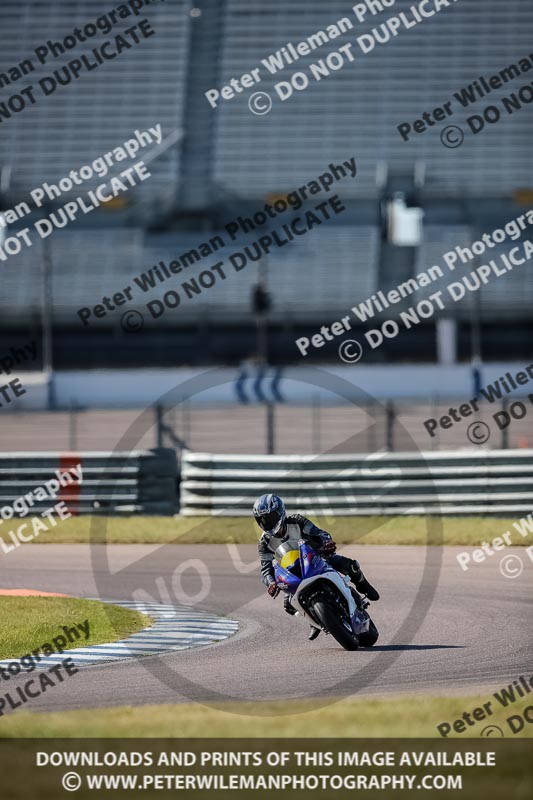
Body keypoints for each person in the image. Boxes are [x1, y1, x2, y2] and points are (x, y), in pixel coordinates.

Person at [253, 493, 379, 640]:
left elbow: (319, 533)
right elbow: (266, 569)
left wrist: (326, 543)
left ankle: (363, 585)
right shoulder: (264, 543)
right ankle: (315, 620)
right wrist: (271, 583)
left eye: (270, 518)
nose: (266, 523)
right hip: (294, 574)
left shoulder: (297, 521)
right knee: (288, 605)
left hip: (316, 558)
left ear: (280, 512)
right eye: (261, 520)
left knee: (349, 565)